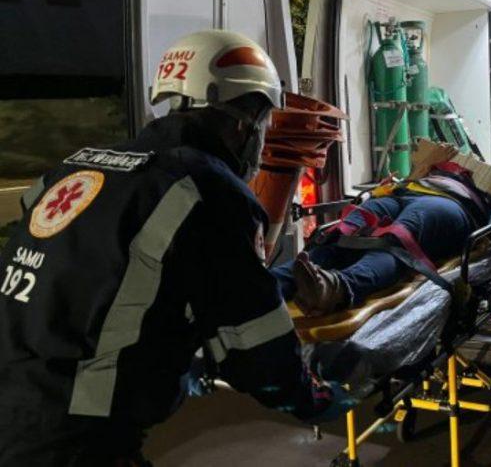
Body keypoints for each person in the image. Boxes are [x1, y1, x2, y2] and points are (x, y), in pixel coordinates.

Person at [0, 30, 350, 467]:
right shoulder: (206, 189)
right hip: (72, 438)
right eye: (264, 125)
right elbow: (253, 345)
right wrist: (315, 398)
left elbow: (108, 287)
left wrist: (182, 358)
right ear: (243, 123)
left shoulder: (74, 170)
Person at [276, 153, 491, 316]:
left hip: (448, 203)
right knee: (341, 234)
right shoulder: (427, 171)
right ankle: (273, 283)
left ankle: (339, 287)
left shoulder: (482, 189)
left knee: (396, 241)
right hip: (401, 194)